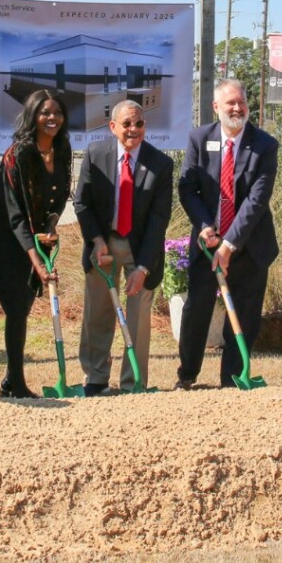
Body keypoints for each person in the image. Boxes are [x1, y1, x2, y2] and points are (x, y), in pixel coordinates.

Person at [176, 79, 279, 389]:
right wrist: (206, 226)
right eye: (230, 103)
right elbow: (187, 187)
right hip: (207, 245)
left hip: (249, 245)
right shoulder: (199, 138)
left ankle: (232, 379)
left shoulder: (264, 145)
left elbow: (257, 201)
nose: (237, 108)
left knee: (245, 316)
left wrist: (229, 244)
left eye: (242, 103)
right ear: (216, 107)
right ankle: (187, 376)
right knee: (196, 311)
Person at [73, 100, 173, 394]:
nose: (133, 129)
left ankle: (134, 382)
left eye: (139, 123)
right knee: (98, 312)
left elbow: (159, 220)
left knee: (139, 316)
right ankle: (95, 377)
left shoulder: (161, 164)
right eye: (127, 124)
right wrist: (97, 240)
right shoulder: (96, 154)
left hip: (140, 248)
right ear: (113, 127)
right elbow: (82, 203)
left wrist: (142, 268)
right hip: (104, 243)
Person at [0, 89, 73, 398]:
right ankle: (15, 382)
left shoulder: (62, 149)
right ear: (33, 115)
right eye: (45, 113)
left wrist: (50, 226)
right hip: (6, 237)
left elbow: (58, 197)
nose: (52, 118)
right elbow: (15, 213)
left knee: (22, 305)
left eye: (57, 113)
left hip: (35, 235)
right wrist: (35, 257)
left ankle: (11, 380)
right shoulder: (17, 154)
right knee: (18, 305)